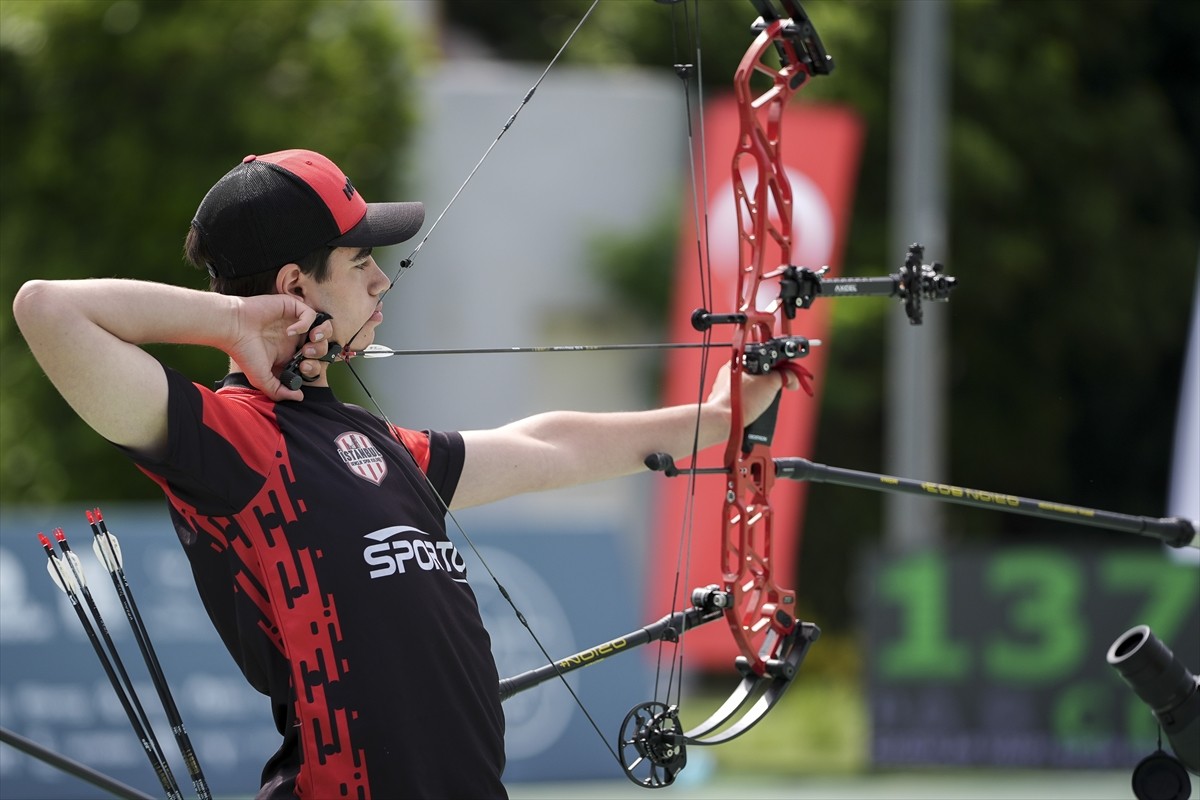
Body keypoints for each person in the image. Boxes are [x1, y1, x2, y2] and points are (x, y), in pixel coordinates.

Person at [12, 149, 797, 799]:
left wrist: (717, 418)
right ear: (294, 288)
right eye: (360, 263)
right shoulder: (228, 442)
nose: (381, 281)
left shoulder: (382, 444)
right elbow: (47, 309)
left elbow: (547, 445)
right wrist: (233, 321)